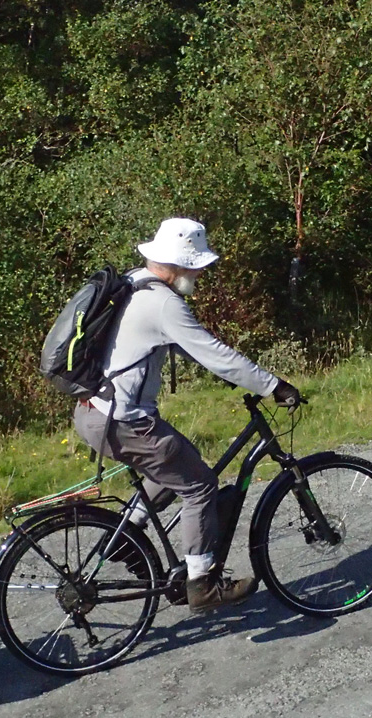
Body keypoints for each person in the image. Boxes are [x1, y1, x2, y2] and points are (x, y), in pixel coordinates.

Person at [73, 217, 302, 613]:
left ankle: (127, 533)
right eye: (196, 265)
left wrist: (222, 371)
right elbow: (213, 351)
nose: (200, 273)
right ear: (179, 263)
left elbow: (151, 342)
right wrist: (273, 386)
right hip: (124, 421)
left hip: (94, 411)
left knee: (180, 463)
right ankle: (203, 585)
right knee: (200, 486)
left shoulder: (134, 283)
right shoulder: (164, 302)